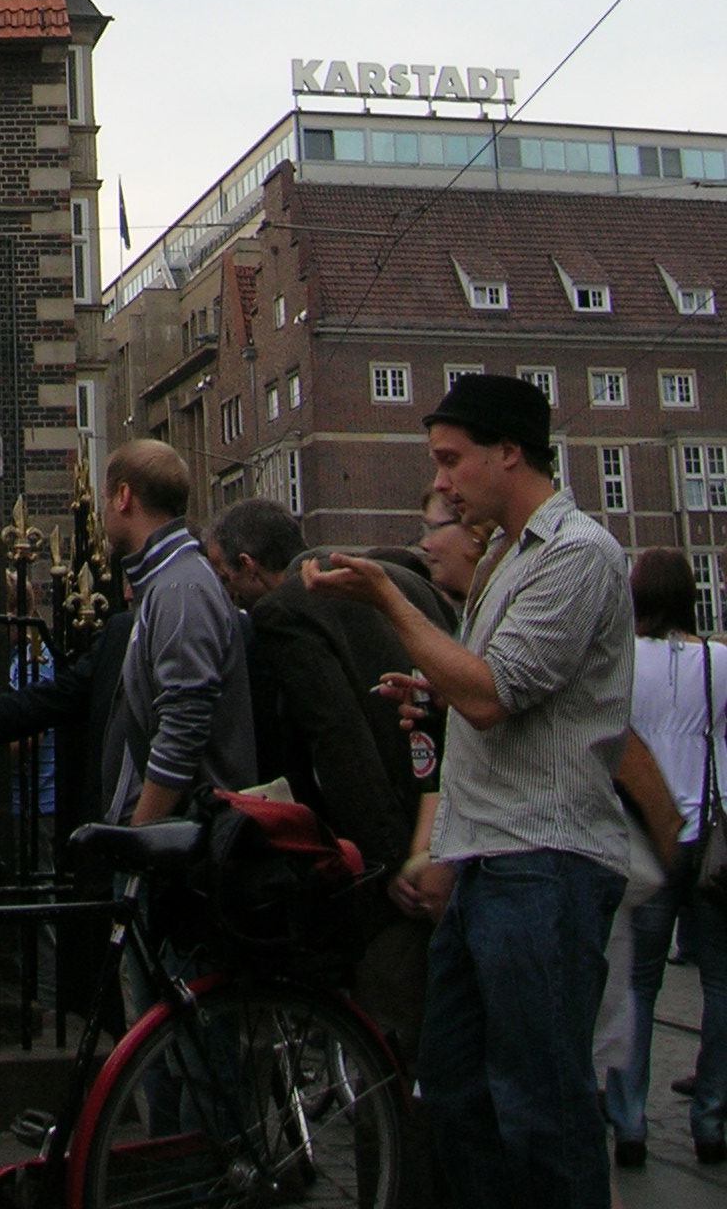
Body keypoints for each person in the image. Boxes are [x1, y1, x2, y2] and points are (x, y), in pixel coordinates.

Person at [305, 372, 633, 1209]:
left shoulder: (578, 555)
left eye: (452, 462)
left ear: (509, 453)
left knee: (542, 1113)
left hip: (545, 864)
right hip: (487, 859)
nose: (442, 482)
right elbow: (486, 694)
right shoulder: (501, 560)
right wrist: (430, 695)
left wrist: (384, 596)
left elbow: (491, 694)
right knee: (455, 1097)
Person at [209, 498, 441, 1079]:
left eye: (225, 577)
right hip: (454, 836)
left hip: (400, 866)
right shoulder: (403, 581)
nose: (229, 595)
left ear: (248, 566)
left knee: (391, 1057)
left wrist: (389, 866)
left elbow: (339, 742)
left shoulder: (286, 611)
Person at [603, 548, 727, 1168]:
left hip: (650, 836)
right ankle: (711, 1118)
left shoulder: (622, 663)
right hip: (712, 842)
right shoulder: (720, 661)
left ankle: (628, 1122)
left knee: (637, 985)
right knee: (721, 984)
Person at [97, 440, 253, 823]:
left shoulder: (179, 588)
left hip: (184, 847)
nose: (101, 510)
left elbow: (184, 723)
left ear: (123, 496)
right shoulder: (169, 582)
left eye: (104, 497)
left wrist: (141, 832)